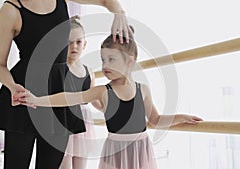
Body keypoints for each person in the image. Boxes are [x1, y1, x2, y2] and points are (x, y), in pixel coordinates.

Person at [17, 26, 203, 169]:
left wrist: (181, 118)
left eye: (111, 60)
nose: (105, 65)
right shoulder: (102, 91)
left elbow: (156, 120)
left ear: (129, 60)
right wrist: (37, 100)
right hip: (114, 153)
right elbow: (69, 98)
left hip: (140, 151)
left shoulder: (143, 89)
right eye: (103, 60)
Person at [0, 0, 131, 168]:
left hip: (59, 93)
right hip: (24, 93)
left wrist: (119, 12)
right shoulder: (11, 10)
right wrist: (12, 86)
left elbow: (106, 1)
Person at [59, 15, 100, 169]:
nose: (74, 47)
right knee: (65, 165)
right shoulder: (60, 69)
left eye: (78, 42)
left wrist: (109, 107)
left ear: (85, 44)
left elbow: (93, 98)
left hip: (83, 124)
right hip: (64, 121)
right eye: (69, 43)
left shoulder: (89, 71)